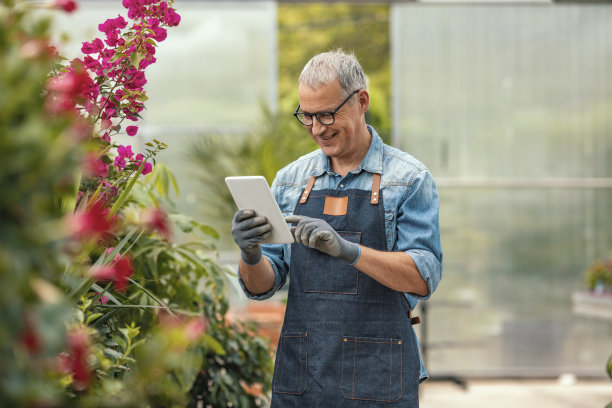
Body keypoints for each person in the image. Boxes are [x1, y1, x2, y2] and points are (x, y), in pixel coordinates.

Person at [231, 49, 442, 407]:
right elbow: (262, 288)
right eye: (307, 116)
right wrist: (251, 254)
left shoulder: (407, 179)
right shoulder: (290, 182)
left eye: (327, 114)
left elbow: (424, 276)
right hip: (303, 375)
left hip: (378, 376)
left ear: (361, 101)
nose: (317, 129)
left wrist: (349, 251)